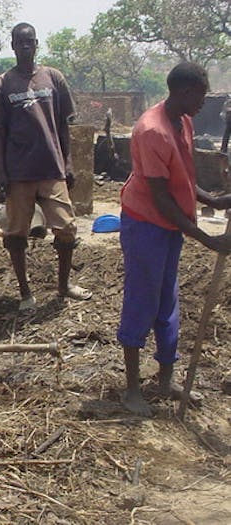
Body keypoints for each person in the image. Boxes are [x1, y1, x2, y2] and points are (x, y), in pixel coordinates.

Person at [118, 62, 231, 416]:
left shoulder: (184, 121)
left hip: (168, 227)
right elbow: (160, 195)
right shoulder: (152, 131)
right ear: (185, 92)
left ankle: (166, 380)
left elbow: (180, 174)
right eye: (201, 93)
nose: (204, 101)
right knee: (142, 301)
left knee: (167, 301)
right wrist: (202, 236)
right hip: (145, 224)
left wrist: (210, 200)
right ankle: (132, 390)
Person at [0, 22, 91, 311]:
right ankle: (25, 295)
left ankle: (63, 286)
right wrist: (1, 171)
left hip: (51, 168)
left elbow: (62, 125)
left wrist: (67, 162)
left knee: (67, 228)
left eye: (30, 42)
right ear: (12, 46)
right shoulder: (1, 84)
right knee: (16, 234)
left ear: (37, 44)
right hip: (19, 172)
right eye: (20, 43)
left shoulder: (53, 79)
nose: (25, 47)